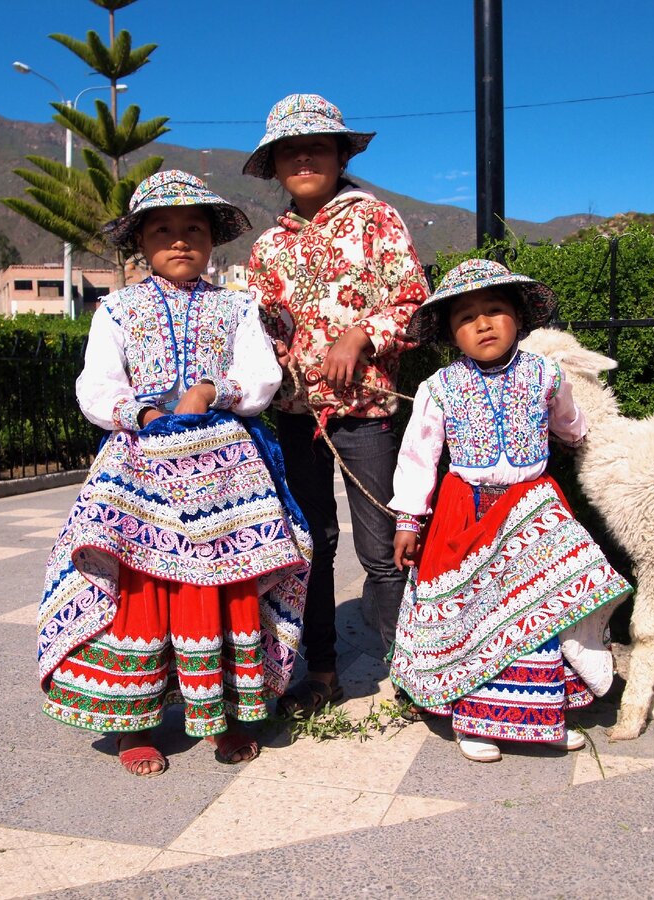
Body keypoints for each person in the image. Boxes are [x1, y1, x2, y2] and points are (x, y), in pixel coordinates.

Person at [37, 170, 311, 777]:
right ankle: (133, 722)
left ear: (213, 239)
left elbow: (261, 375)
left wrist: (215, 389)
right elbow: (97, 383)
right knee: (142, 581)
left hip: (226, 467)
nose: (181, 240)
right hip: (140, 460)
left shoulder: (238, 307)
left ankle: (230, 714)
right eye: (163, 230)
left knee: (225, 581)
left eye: (194, 229)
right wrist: (143, 411)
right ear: (141, 240)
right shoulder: (117, 309)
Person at [387, 259, 633, 763]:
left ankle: (544, 715)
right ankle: (478, 720)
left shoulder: (546, 373)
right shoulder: (439, 387)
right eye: (466, 317)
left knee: (538, 612)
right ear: (451, 333)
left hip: (531, 508)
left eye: (495, 310)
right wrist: (410, 519)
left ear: (518, 318)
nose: (482, 323)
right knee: (477, 617)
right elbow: (418, 455)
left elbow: (570, 422)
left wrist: (581, 437)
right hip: (467, 512)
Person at [244, 93, 428, 715]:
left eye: (316, 146)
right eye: (289, 151)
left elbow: (413, 304)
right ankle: (319, 673)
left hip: (367, 417)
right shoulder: (268, 248)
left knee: (382, 551)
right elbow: (259, 333)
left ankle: (409, 673)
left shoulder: (378, 220)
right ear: (273, 165)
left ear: (339, 154)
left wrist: (361, 334)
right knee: (312, 545)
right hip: (298, 420)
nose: (303, 157)